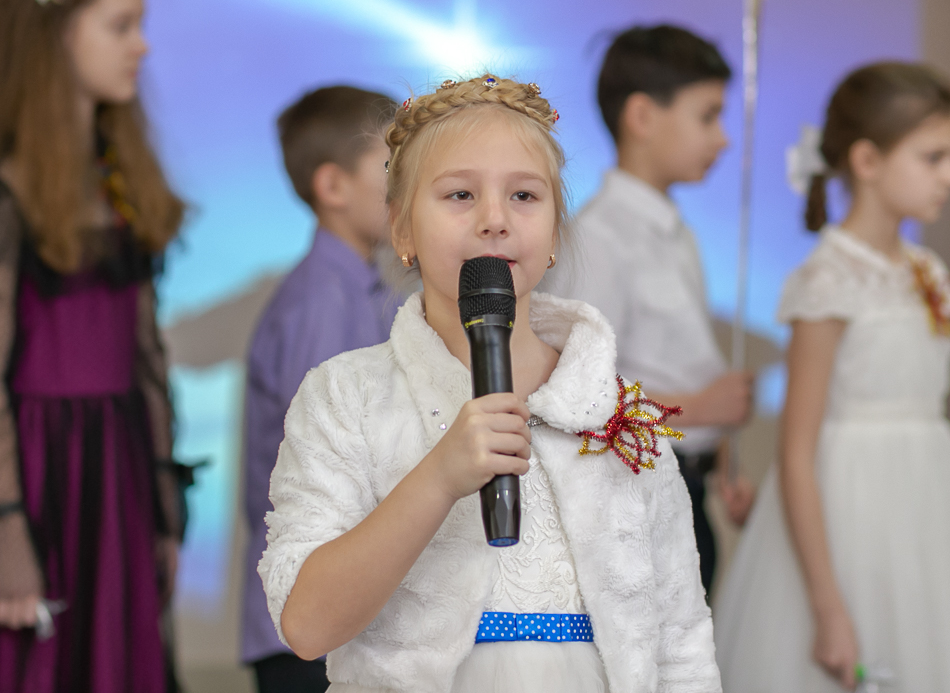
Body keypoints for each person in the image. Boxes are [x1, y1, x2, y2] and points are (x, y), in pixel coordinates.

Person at [258, 75, 721, 693]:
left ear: (555, 232)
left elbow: (682, 644)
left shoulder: (618, 412)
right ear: (401, 227)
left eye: (525, 195)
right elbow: (307, 625)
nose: (495, 220)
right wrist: (438, 478)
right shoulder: (346, 397)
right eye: (460, 195)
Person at [713, 62, 950, 692]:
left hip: (927, 515)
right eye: (934, 158)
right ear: (867, 160)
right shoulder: (828, 280)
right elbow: (796, 456)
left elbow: (922, 485)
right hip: (847, 523)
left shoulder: (926, 269)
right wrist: (829, 609)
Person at [0, 0, 185, 692]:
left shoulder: (119, 183)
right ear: (55, 33)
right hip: (35, 474)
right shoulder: (8, 195)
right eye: (120, 26)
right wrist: (7, 527)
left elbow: (146, 357)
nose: (142, 46)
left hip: (117, 475)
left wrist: (163, 508)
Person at [544, 25, 754, 594]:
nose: (723, 139)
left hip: (686, 489)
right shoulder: (600, 240)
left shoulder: (675, 233)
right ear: (642, 116)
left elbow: (674, 361)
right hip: (632, 501)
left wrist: (723, 455)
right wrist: (701, 409)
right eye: (707, 116)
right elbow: (577, 395)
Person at [242, 85, 401, 693]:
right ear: (333, 186)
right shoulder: (321, 304)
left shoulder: (361, 292)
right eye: (391, 165)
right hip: (314, 624)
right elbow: (331, 469)